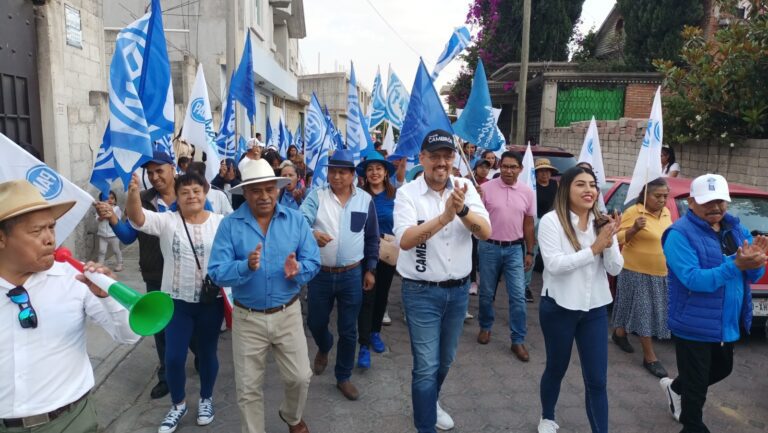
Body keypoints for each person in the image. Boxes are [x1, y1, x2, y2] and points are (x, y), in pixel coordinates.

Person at [0, 180, 139, 433]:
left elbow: (129, 335)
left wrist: (108, 297)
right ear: (1, 239)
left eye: (51, 227)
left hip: (71, 422)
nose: (50, 239)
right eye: (36, 231)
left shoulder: (74, 279)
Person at [208, 158, 319, 433]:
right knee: (247, 389)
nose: (264, 196)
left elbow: (313, 261)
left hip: (288, 312)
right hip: (247, 318)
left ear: (278, 189)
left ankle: (291, 416)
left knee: (301, 377)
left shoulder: (295, 221)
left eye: (270, 189)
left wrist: (299, 269)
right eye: (256, 190)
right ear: (245, 192)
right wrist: (245, 266)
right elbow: (217, 272)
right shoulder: (230, 225)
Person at [394, 129, 491, 433]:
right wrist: (444, 217)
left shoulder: (465, 189)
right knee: (425, 366)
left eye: (447, 156)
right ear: (421, 158)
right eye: (434, 156)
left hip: (458, 293)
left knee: (445, 360)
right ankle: (425, 424)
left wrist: (461, 209)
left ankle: (430, 403)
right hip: (420, 293)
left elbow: (485, 231)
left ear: (453, 159)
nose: (441, 162)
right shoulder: (407, 193)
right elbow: (406, 241)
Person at [659, 174, 766, 432]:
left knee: (723, 368)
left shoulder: (736, 229)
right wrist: (736, 264)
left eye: (720, 201)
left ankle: (675, 388)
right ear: (692, 202)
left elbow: (752, 275)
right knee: (695, 398)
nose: (715, 207)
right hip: (693, 324)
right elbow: (693, 279)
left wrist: (755, 263)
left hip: (727, 321)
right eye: (708, 202)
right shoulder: (678, 234)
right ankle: (691, 422)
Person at [126, 172, 225, 433]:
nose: (191, 195)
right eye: (185, 192)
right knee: (173, 358)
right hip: (175, 304)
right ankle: (178, 404)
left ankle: (206, 399)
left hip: (210, 302)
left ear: (205, 194)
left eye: (196, 190)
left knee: (206, 354)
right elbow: (137, 219)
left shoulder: (221, 223)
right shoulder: (167, 221)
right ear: (177, 198)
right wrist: (134, 192)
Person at [536, 166, 623, 433]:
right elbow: (554, 265)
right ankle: (547, 416)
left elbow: (615, 268)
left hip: (594, 308)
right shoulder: (551, 221)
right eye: (581, 184)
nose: (589, 190)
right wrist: (594, 248)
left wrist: (608, 242)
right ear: (566, 189)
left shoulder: (603, 222)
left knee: (597, 380)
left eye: (593, 185)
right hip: (559, 307)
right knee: (556, 367)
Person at [93, 151, 180, 400]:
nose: (154, 177)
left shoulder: (189, 194)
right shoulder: (140, 199)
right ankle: (166, 375)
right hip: (155, 273)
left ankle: (199, 357)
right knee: (160, 328)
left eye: (159, 171)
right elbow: (129, 237)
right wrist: (112, 218)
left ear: (172, 169)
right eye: (150, 173)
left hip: (187, 274)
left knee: (189, 322)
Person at [300, 149, 379, 401]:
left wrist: (370, 269)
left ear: (352, 175)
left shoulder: (365, 200)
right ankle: (324, 345)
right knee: (315, 322)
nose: (336, 176)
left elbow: (372, 237)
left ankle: (343, 376)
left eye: (341, 172)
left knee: (349, 329)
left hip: (351, 275)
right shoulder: (317, 196)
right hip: (320, 274)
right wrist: (312, 234)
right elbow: (300, 221)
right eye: (332, 171)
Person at [476, 151, 535, 362]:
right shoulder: (484, 189)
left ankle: (518, 340)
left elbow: (528, 224)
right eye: (505, 166)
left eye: (513, 167)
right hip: (489, 247)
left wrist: (529, 251)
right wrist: (473, 197)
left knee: (518, 296)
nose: (509, 171)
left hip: (514, 250)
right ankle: (485, 326)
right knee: (486, 292)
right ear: (499, 167)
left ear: (520, 169)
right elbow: (475, 218)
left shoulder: (528, 192)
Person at [611, 178, 673, 378]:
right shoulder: (633, 212)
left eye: (665, 196)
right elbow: (616, 238)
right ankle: (650, 357)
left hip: (660, 273)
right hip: (635, 271)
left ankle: (620, 334)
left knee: (631, 306)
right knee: (643, 312)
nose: (662, 200)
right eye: (657, 196)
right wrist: (634, 229)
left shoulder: (666, 213)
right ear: (645, 195)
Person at [354, 152, 397, 369]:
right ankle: (363, 343)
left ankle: (375, 333)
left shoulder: (395, 196)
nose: (374, 173)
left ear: (386, 172)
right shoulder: (358, 196)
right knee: (366, 297)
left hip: (387, 253)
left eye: (378, 169)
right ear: (365, 174)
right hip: (364, 253)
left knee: (382, 296)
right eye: (370, 169)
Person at [524, 158, 559, 302]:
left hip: (551, 222)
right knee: (531, 253)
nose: (544, 174)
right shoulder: (531, 186)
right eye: (541, 171)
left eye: (547, 171)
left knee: (552, 256)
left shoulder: (555, 184)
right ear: (536, 173)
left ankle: (552, 288)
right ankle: (525, 286)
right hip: (534, 221)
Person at [95, 190, 124, 272]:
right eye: (106, 199)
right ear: (101, 201)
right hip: (102, 235)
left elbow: (117, 218)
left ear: (115, 200)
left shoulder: (116, 209)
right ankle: (100, 265)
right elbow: (97, 220)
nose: (110, 200)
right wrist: (101, 216)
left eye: (112, 198)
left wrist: (109, 212)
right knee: (101, 251)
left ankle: (120, 263)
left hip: (114, 235)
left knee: (116, 250)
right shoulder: (99, 210)